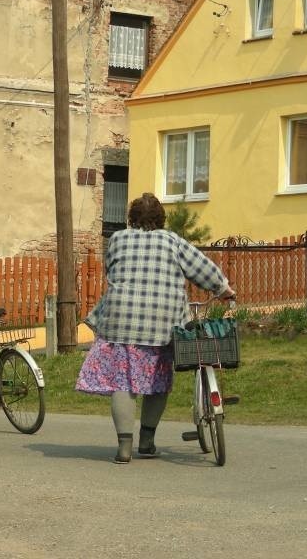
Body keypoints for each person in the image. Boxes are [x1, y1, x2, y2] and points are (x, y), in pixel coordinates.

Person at [77, 193, 235, 463]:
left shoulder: (116, 240)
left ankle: (124, 448)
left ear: (131, 219)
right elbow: (202, 268)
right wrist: (223, 289)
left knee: (122, 382)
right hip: (162, 323)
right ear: (161, 220)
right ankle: (147, 442)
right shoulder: (172, 241)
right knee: (157, 382)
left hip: (121, 320)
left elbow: (111, 271)